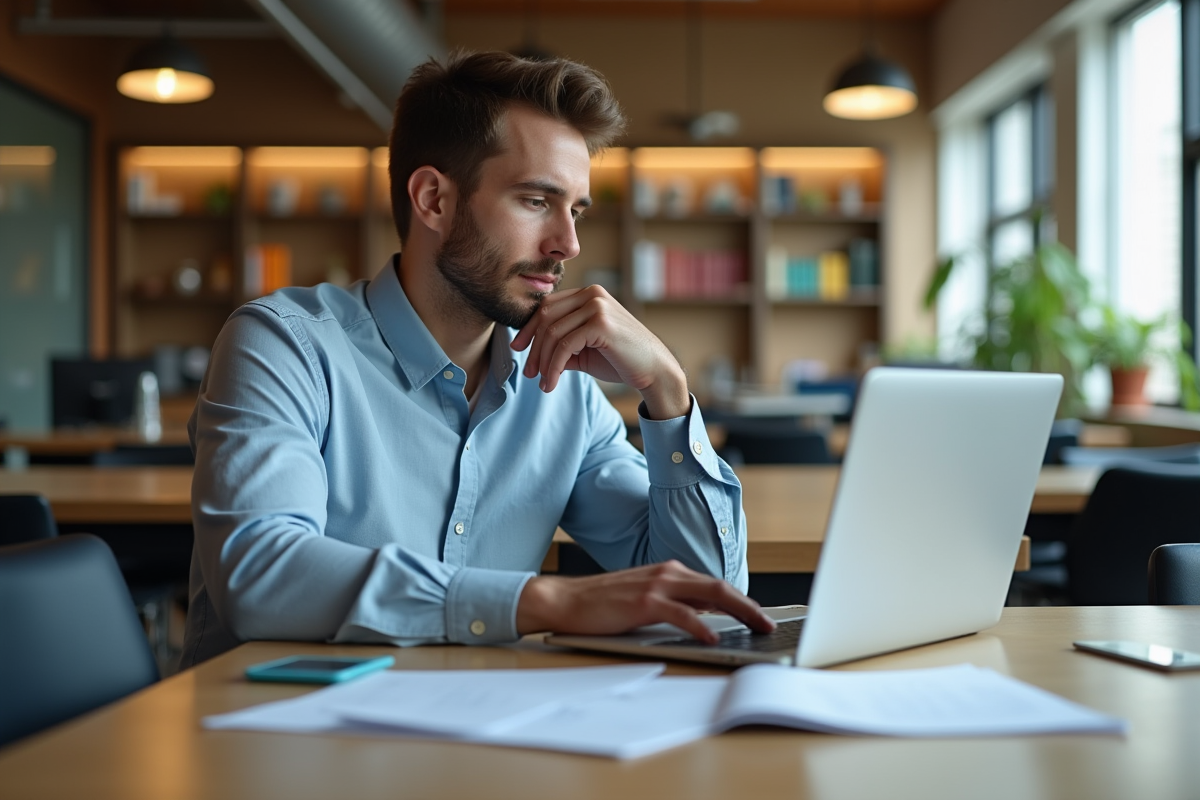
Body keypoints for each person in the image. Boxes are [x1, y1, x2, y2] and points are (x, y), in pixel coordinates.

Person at [180, 50, 773, 668]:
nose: (567, 244)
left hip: (477, 732)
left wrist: (667, 389)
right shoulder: (282, 346)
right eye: (537, 201)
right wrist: (542, 603)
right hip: (271, 738)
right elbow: (260, 574)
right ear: (433, 199)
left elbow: (709, 599)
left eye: (576, 210)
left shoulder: (562, 390)